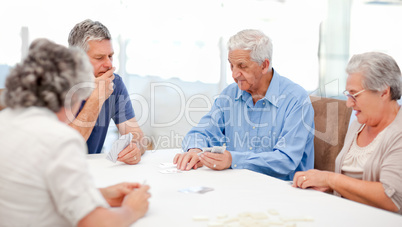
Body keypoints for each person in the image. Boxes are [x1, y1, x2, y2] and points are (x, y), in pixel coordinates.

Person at [0, 38, 151, 226]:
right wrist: (131, 209)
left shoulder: (5, 122)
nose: (109, 64)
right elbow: (96, 223)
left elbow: (32, 191)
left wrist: (100, 194)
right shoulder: (60, 140)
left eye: (111, 56)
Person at [173, 29, 315, 181]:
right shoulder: (230, 94)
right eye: (231, 65)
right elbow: (201, 132)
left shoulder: (296, 100)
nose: (234, 74)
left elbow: (286, 160)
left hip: (283, 192)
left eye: (242, 66)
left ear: (264, 65)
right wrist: (196, 150)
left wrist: (233, 160)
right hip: (239, 186)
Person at [293, 52, 402, 214]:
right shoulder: (359, 124)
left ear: (384, 92)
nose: (349, 104)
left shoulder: (398, 133)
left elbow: (393, 199)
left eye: (354, 94)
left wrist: (331, 180)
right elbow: (351, 186)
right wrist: (328, 185)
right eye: (348, 94)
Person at [68, 19, 145, 164]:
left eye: (110, 56)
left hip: (93, 170)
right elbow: (67, 147)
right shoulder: (56, 85)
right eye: (99, 58)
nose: (109, 64)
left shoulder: (114, 83)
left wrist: (135, 147)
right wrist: (97, 96)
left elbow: (136, 135)